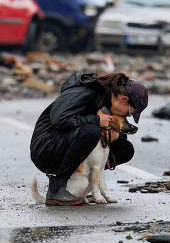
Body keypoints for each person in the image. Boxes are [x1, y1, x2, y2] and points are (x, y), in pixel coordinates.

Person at [30, 72, 148, 206]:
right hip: (46, 146)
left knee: (124, 148)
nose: (127, 116)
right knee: (92, 131)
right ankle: (57, 189)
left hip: (65, 140)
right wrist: (96, 120)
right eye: (129, 113)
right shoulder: (86, 91)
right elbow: (58, 120)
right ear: (123, 99)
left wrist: (114, 136)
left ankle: (78, 183)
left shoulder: (106, 101)